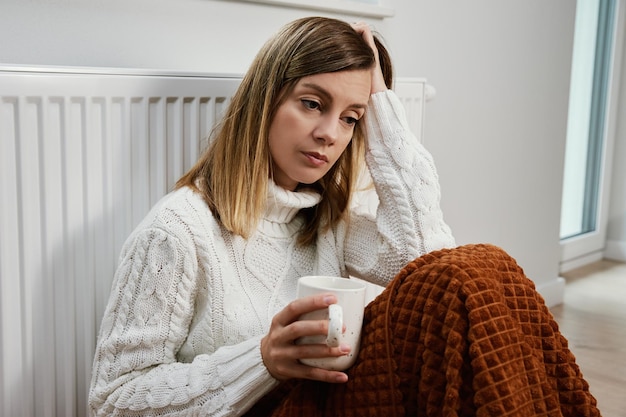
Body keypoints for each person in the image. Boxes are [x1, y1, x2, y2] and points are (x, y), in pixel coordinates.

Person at [89, 17, 600, 417]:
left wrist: (380, 105)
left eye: (350, 118)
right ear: (264, 101)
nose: (331, 133)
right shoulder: (177, 231)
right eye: (313, 104)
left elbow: (432, 262)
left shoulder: (327, 219)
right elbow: (112, 400)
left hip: (330, 400)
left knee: (480, 267)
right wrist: (261, 361)